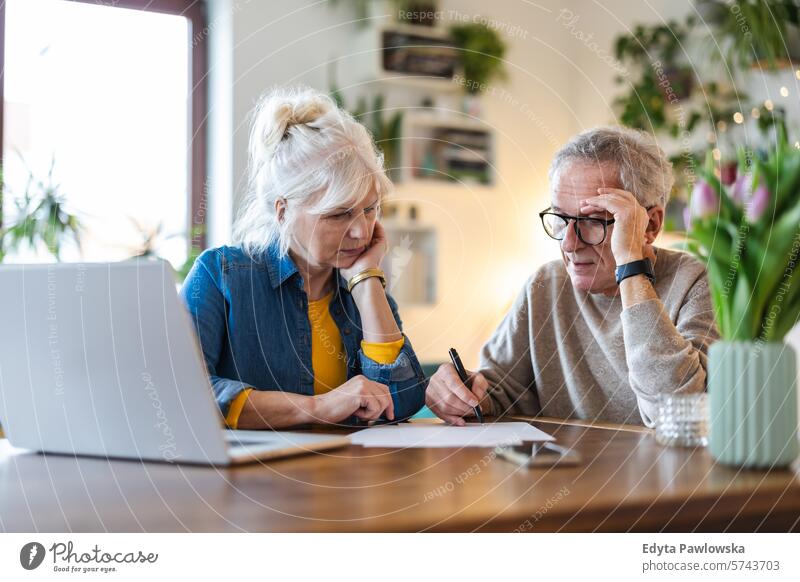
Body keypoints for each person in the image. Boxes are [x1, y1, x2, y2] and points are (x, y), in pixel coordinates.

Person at [425, 126, 719, 427]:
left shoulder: (695, 284)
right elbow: (498, 394)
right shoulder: (546, 285)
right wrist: (459, 396)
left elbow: (682, 413)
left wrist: (631, 268)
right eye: (561, 219)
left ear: (650, 225)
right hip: (562, 473)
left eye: (592, 220)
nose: (568, 243)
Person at [181, 86, 426, 429]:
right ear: (283, 211)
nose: (361, 231)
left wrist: (367, 282)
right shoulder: (220, 275)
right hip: (247, 480)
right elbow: (184, 392)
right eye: (338, 214)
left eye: (370, 209)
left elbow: (401, 401)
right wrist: (319, 406)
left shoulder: (360, 284)